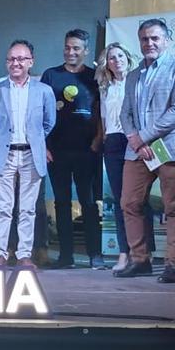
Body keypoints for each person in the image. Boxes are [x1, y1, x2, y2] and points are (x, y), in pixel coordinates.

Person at [115, 18, 175, 284]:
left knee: (173, 207)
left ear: (166, 40)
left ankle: (173, 264)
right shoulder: (134, 74)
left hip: (170, 147)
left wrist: (144, 138)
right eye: (144, 39)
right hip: (137, 149)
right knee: (129, 203)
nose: (149, 43)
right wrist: (134, 139)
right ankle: (140, 260)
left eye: (154, 38)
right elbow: (125, 112)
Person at [40, 28, 105, 269]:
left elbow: (102, 111)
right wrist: (44, 146)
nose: (71, 52)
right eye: (68, 47)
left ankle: (94, 255)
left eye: (76, 48)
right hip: (57, 151)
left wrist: (99, 139)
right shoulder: (51, 75)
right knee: (61, 203)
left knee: (89, 204)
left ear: (86, 51)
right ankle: (65, 256)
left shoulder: (95, 76)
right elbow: (41, 113)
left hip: (87, 150)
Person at [0, 40, 55, 267]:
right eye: (11, 59)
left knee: (28, 208)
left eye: (21, 59)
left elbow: (48, 123)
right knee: (3, 207)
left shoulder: (44, 91)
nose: (15, 63)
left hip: (30, 155)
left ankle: (24, 254)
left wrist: (36, 141)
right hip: (5, 155)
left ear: (30, 62)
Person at [95, 42, 155, 273]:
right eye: (111, 58)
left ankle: (144, 253)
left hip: (135, 141)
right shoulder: (105, 88)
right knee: (121, 201)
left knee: (139, 200)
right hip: (113, 142)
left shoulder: (138, 82)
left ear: (127, 59)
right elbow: (103, 120)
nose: (116, 60)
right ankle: (124, 252)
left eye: (120, 56)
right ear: (106, 64)